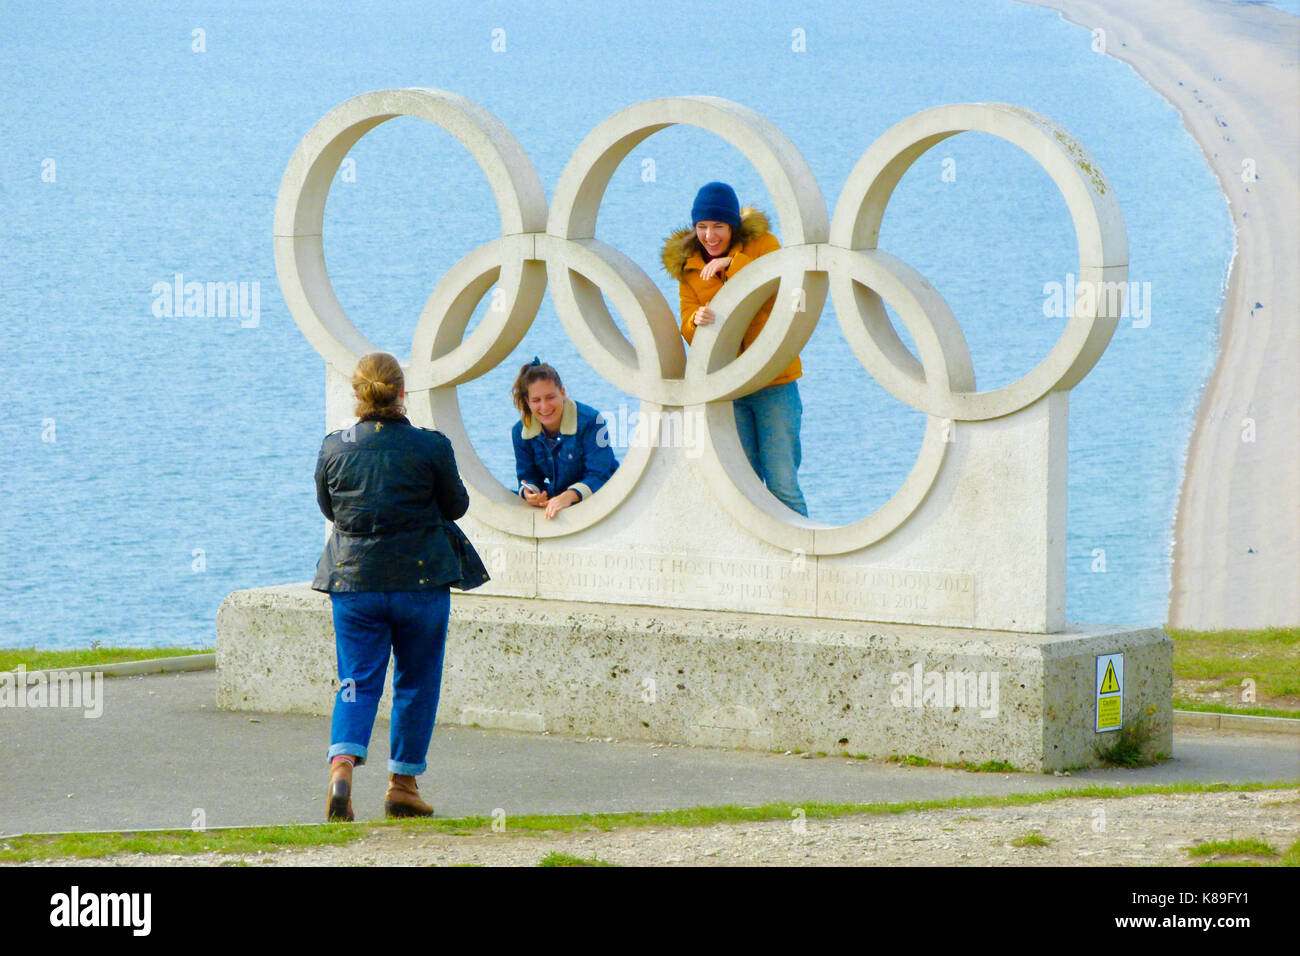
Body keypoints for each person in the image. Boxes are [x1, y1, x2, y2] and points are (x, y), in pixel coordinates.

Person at [311, 351, 484, 821]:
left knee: (356, 680)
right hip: (421, 581)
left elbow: (330, 510)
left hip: (354, 582)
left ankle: (342, 766)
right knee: (417, 679)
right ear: (402, 393)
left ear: (357, 393)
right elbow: (457, 505)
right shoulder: (431, 446)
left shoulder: (335, 446)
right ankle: (403, 785)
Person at [660, 181, 808, 516]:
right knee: (746, 484)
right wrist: (696, 322)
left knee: (783, 482)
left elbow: (779, 288)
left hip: (775, 381)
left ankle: (802, 559)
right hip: (731, 386)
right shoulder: (688, 268)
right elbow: (688, 328)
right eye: (702, 227)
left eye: (718, 227)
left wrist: (732, 264)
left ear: (732, 226)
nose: (710, 236)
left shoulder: (763, 245)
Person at [511, 358, 619, 519]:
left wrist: (569, 496)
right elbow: (527, 474)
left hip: (604, 498)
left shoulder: (591, 420)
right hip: (558, 499)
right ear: (527, 402)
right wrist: (530, 492)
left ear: (562, 393)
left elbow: (599, 474)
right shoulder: (521, 431)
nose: (544, 406)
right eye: (536, 400)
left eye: (550, 397)